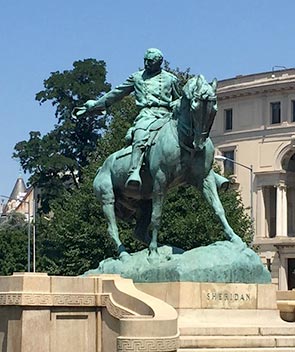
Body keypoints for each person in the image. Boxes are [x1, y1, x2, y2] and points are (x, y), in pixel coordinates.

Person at [76, 48, 181, 188]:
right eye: (145, 60)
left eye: (150, 61)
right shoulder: (137, 77)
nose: (146, 64)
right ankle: (134, 171)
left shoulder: (171, 79)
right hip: (147, 115)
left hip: (167, 115)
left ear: (159, 62)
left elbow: (179, 99)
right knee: (141, 134)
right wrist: (96, 105)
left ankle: (205, 171)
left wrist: (176, 103)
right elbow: (117, 93)